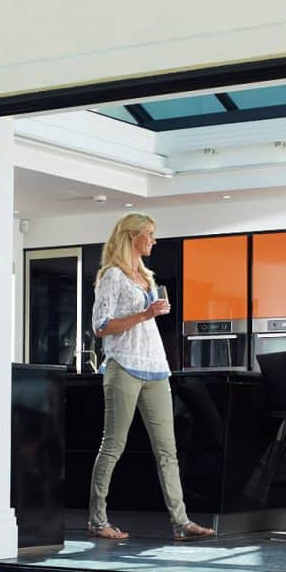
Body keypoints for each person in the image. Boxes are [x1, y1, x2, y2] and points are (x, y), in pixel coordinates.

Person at [88, 212, 216, 541]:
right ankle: (97, 520)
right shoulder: (112, 277)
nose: (153, 240)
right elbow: (100, 327)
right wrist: (145, 313)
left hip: (156, 367)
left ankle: (181, 522)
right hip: (123, 366)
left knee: (167, 451)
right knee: (113, 445)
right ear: (131, 236)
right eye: (149, 234)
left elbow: (145, 323)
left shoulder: (147, 276)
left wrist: (152, 314)